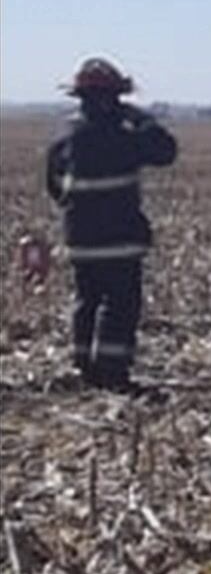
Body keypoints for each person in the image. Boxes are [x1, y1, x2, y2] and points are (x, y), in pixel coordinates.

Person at [43, 58, 178, 391]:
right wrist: (142, 119)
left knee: (85, 300)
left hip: (79, 237)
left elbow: (54, 184)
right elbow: (166, 152)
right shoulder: (122, 134)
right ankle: (112, 372)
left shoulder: (64, 133)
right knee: (120, 303)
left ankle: (83, 367)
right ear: (112, 97)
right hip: (120, 236)